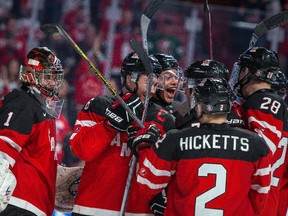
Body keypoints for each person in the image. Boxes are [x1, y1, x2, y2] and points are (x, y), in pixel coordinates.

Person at [133, 77, 272, 215]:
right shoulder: (256, 144)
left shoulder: (175, 139)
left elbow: (147, 184)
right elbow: (260, 198)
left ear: (201, 106)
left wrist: (145, 147)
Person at [70, 52, 175, 215]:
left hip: (137, 212)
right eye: (148, 82)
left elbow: (167, 170)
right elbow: (82, 150)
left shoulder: (162, 119)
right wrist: (109, 125)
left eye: (155, 84)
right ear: (129, 79)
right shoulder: (99, 105)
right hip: (91, 209)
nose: (152, 90)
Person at [0, 47, 64, 215]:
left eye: (55, 78)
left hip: (31, 206)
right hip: (18, 203)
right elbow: (4, 147)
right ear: (31, 75)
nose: (52, 83)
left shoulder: (40, 109)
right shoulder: (24, 102)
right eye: (47, 77)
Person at [229, 46, 288, 216]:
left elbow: (262, 150)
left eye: (241, 70)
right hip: (269, 200)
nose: (238, 76)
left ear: (250, 72)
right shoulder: (267, 103)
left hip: (258, 202)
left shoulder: (264, 101)